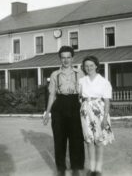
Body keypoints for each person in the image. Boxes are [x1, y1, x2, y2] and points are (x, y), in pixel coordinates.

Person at [43, 46, 85, 176]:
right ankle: (61, 168)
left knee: (76, 139)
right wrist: (47, 112)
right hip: (59, 106)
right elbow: (52, 95)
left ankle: (76, 168)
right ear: (60, 59)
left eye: (68, 57)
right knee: (59, 139)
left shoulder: (80, 73)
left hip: (75, 105)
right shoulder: (55, 74)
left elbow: (84, 94)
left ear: (72, 58)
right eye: (63, 58)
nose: (66, 60)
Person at [79, 56, 115, 176]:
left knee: (99, 141)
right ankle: (92, 168)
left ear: (96, 66)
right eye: (86, 66)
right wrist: (84, 107)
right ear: (84, 67)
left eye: (91, 65)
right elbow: (79, 97)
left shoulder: (104, 82)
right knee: (89, 141)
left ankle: (98, 170)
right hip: (85, 111)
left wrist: (105, 118)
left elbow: (107, 101)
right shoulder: (82, 81)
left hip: (99, 111)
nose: (89, 68)